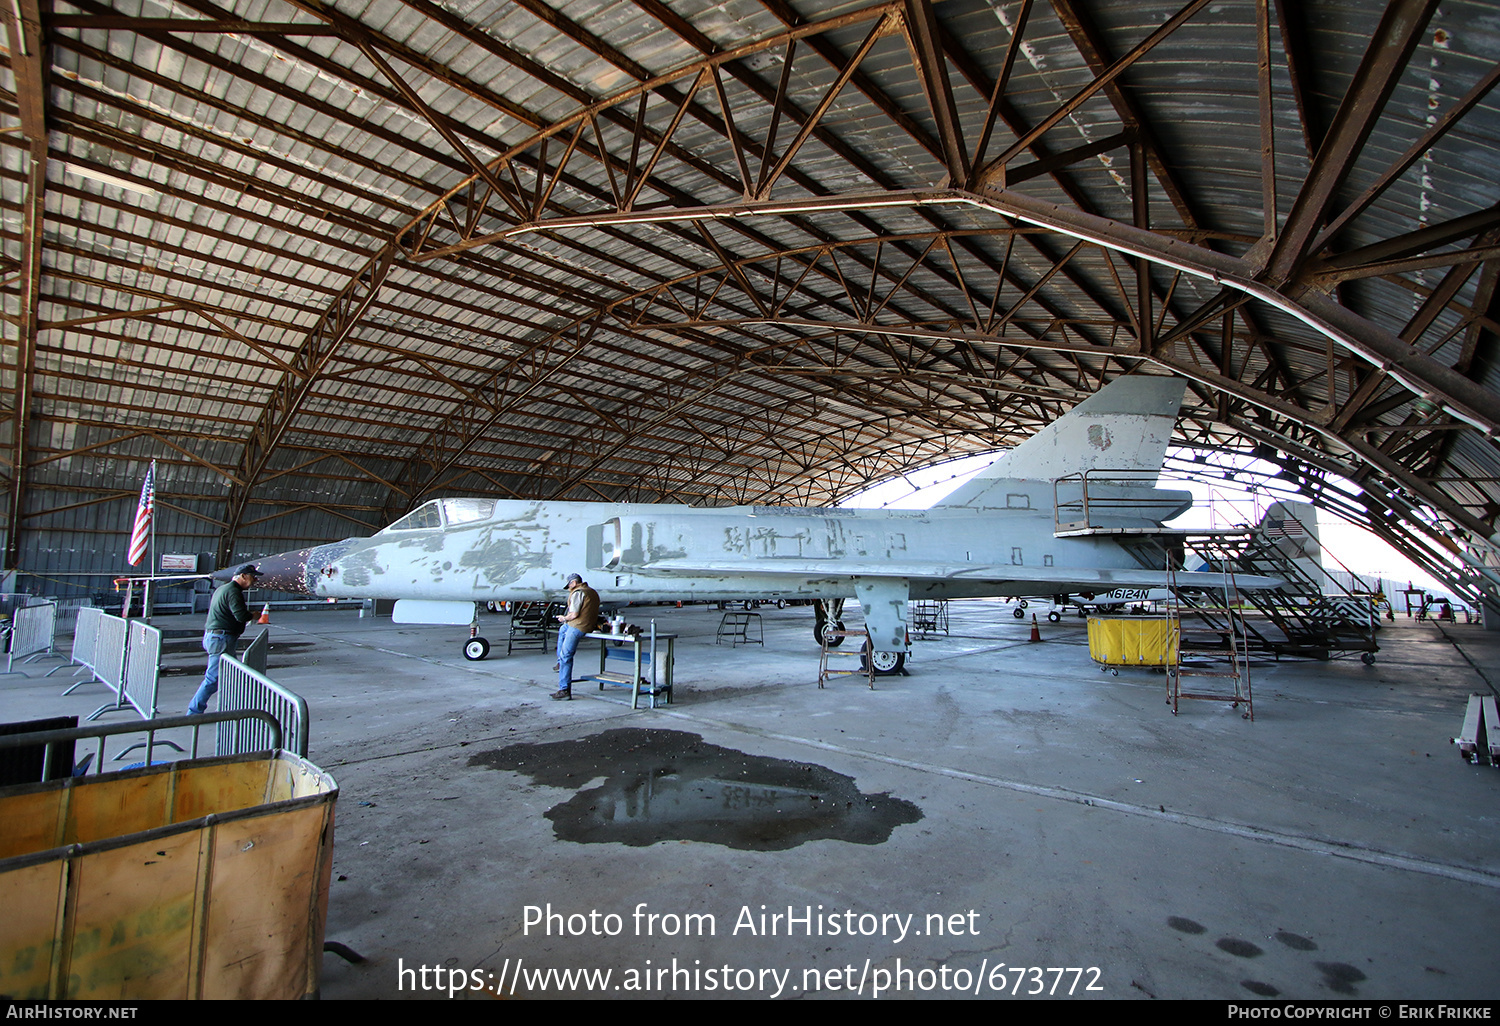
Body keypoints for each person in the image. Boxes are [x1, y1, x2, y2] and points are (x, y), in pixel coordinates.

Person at [187, 564, 262, 715]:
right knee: (213, 678)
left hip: (215, 637)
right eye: (252, 576)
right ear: (243, 576)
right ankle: (194, 712)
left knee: (231, 674)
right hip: (221, 639)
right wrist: (253, 615)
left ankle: (237, 706)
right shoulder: (233, 592)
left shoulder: (222, 589)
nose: (255, 580)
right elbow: (240, 615)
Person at [552, 573, 599, 701]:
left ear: (573, 583)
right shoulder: (592, 592)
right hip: (587, 624)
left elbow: (574, 614)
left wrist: (564, 618)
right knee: (562, 630)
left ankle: (564, 690)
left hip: (578, 626)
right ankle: (559, 662)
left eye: (569, 586)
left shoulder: (578, 593)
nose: (569, 589)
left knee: (566, 656)